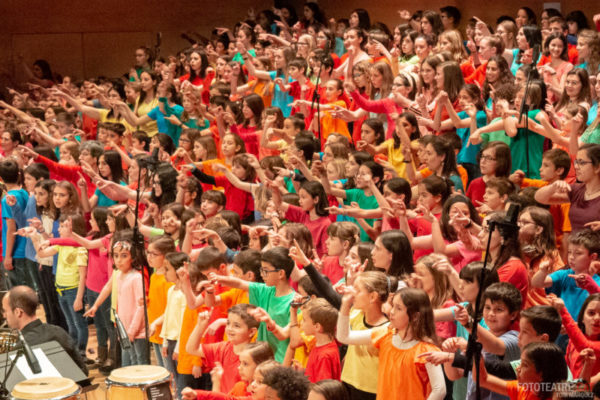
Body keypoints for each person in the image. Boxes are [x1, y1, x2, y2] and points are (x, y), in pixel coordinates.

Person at [1, 286, 88, 375]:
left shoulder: (19, 349)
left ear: (18, 312)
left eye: (5, 311)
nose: (4, 315)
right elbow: (83, 371)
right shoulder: (59, 331)